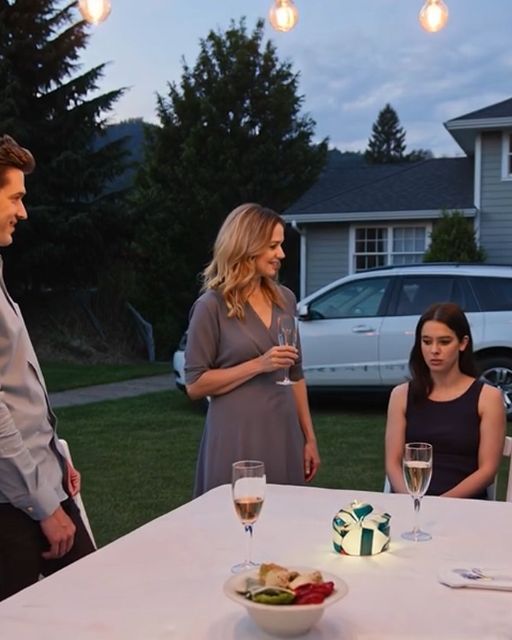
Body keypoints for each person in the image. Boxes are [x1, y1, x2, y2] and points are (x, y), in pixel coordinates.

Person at [0, 135, 95, 601]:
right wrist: (42, 504)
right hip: (15, 505)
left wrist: (54, 458)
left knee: (94, 604)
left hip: (41, 483)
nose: (23, 212)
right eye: (15, 197)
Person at [185, 203, 320, 496]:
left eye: (281, 245)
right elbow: (195, 385)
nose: (281, 254)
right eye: (272, 246)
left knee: (286, 513)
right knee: (235, 514)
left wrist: (309, 438)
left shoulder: (285, 299)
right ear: (247, 246)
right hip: (236, 435)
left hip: (283, 431)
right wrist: (259, 364)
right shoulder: (211, 306)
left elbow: (296, 375)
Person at [385, 302, 505, 499]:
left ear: (463, 343)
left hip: (464, 504)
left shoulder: (488, 397)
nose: (434, 350)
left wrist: (440, 504)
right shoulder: (401, 395)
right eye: (426, 341)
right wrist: (412, 500)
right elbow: (392, 463)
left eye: (444, 342)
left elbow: (487, 470)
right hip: (410, 501)